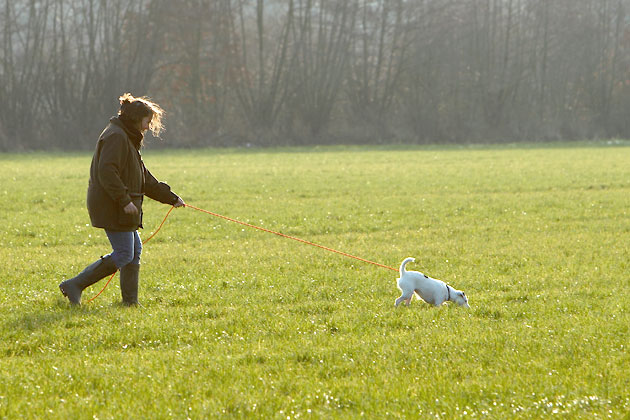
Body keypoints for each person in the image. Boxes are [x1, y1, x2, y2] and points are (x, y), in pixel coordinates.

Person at [59, 93, 185, 306]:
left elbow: (144, 178)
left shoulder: (127, 137)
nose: (148, 127)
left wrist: (170, 198)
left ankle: (130, 302)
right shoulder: (117, 136)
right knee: (126, 252)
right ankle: (75, 285)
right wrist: (124, 201)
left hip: (121, 205)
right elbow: (107, 171)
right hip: (113, 205)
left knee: (133, 251)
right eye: (147, 121)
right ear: (137, 118)